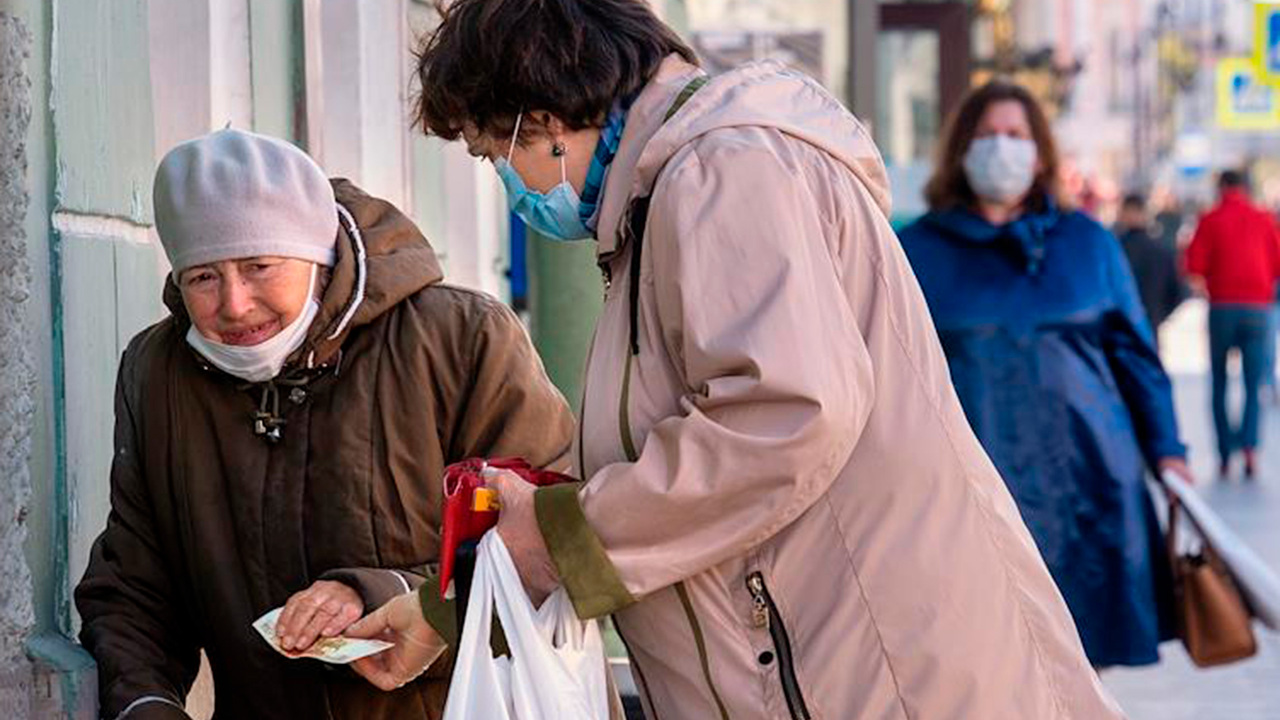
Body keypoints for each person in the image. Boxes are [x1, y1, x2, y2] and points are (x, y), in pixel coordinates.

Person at [345, 2, 1125, 718]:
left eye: (493, 153)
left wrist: (558, 535)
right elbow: (693, 448)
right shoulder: (672, 194)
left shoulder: (721, 170)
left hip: (874, 673)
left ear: (544, 120)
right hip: (839, 663)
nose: (510, 182)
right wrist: (450, 606)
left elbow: (782, 416)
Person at [74, 129, 573, 719]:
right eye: (203, 277)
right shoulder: (158, 373)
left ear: (320, 257)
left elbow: (551, 550)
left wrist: (381, 594)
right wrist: (146, 706)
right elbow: (135, 584)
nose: (234, 304)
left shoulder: (461, 340)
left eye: (259, 266)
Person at [896, 81, 1191, 669]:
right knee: (982, 667)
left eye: (1015, 136)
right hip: (971, 494)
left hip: (1088, 481)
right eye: (986, 136)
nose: (1000, 149)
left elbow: (1135, 355)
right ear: (960, 150)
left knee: (1081, 666)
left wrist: (1168, 450)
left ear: (1040, 153)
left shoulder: (1087, 242)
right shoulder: (915, 251)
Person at [1185, 170, 1280, 478]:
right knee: (1255, 384)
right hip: (1258, 309)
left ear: (1222, 187)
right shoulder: (1264, 218)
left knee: (1219, 382)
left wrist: (1211, 285)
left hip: (1222, 307)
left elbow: (1193, 266)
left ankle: (1225, 454)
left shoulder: (1210, 219)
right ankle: (1250, 449)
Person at [1115, 192, 1190, 345]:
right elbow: (1178, 291)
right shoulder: (1161, 249)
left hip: (1119, 328)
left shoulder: (1114, 249)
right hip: (1150, 324)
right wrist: (1159, 315)